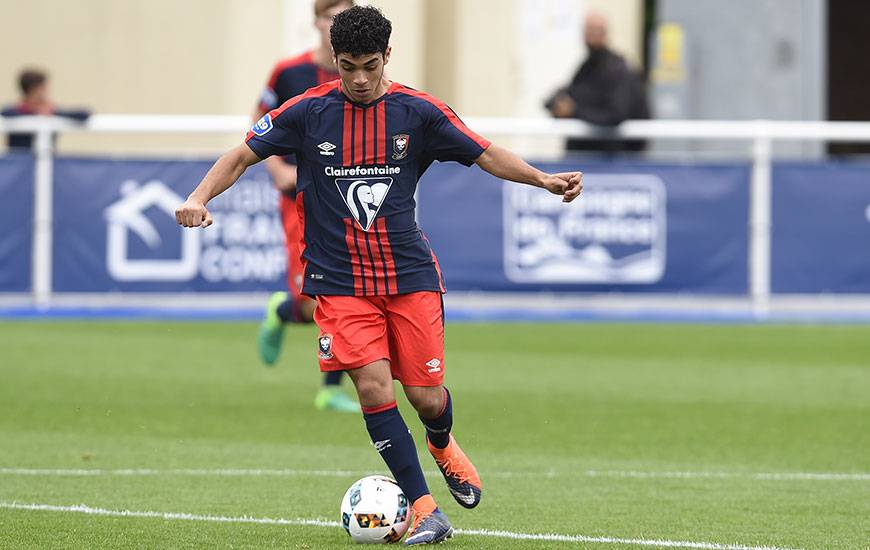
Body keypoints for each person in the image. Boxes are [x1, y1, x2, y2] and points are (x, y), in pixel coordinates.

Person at [176, 6, 582, 545]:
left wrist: (543, 179)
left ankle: (442, 444)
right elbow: (241, 155)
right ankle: (425, 508)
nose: (360, 79)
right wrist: (198, 197)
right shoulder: (307, 110)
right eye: (348, 67)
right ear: (335, 62)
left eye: (370, 65)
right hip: (339, 282)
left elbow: (484, 153)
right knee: (372, 386)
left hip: (408, 277)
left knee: (427, 397)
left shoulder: (419, 112)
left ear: (387, 56)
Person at [254, 0, 359, 414]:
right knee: (315, 299)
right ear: (316, 22)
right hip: (299, 197)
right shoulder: (289, 72)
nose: (338, 25)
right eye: (332, 17)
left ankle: (330, 388)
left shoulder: (363, 73)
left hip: (348, 196)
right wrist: (278, 167)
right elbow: (260, 123)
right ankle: (282, 309)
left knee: (349, 292)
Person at [545, 11, 649, 153]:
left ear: (605, 34)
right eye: (588, 30)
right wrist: (558, 105)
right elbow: (563, 95)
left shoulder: (618, 70)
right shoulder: (585, 68)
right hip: (581, 156)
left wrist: (573, 111)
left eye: (595, 30)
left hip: (612, 159)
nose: (590, 35)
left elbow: (616, 115)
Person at [1, 68, 90, 150]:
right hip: (18, 163)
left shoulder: (51, 111)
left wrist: (51, 111)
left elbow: (84, 114)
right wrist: (35, 111)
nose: (47, 91)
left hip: (47, 163)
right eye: (43, 88)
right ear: (33, 90)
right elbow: (5, 113)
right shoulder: (14, 112)